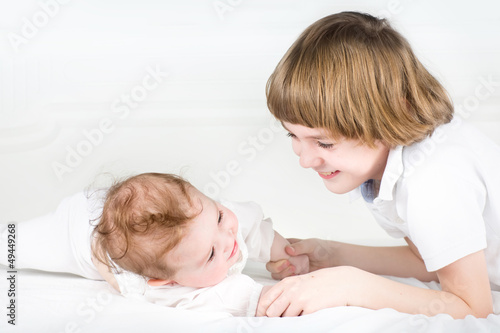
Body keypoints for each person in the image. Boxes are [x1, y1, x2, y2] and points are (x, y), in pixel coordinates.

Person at [258, 11, 500, 319]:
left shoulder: (432, 177)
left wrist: (350, 287)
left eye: (325, 143)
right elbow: (427, 258)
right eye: (293, 135)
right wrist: (330, 256)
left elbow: (472, 307)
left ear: (390, 115)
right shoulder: (388, 168)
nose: (305, 160)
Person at [0, 173, 308, 317]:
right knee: (13, 245)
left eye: (218, 217)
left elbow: (254, 229)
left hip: (116, 207)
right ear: (168, 279)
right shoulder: (160, 289)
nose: (229, 238)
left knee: (146, 212)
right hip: (73, 233)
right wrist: (271, 298)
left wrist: (282, 253)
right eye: (211, 254)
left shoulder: (212, 218)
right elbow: (232, 298)